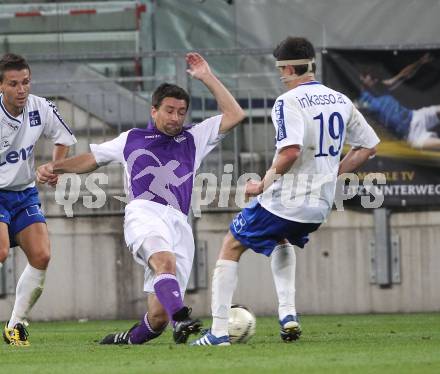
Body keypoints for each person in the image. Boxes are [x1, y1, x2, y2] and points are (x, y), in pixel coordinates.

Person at [37, 53, 245, 345]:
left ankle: (129, 339)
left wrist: (207, 77)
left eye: (181, 112)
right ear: (154, 111)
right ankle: (182, 320)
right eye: (169, 111)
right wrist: (55, 166)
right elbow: (91, 159)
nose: (175, 118)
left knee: (158, 317)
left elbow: (236, 115)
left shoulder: (194, 139)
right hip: (144, 212)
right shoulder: (131, 139)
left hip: (179, 223)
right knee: (164, 262)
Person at [191, 36, 380, 346]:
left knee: (231, 244)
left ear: (289, 68)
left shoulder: (288, 101)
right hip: (320, 206)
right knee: (279, 237)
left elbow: (290, 152)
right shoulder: (340, 100)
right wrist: (331, 174)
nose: (281, 76)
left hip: (288, 199)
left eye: (281, 71)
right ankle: (288, 315)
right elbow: (369, 147)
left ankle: (219, 332)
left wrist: (262, 184)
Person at [0, 53, 77, 346]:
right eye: (13, 84)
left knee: (42, 255)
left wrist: (54, 167)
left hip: (23, 192)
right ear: (1, 87)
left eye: (26, 82)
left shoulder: (40, 107)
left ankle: (15, 325)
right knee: (2, 251)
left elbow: (64, 137)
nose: (22, 89)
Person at [358, 53, 440, 150]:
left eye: (372, 75)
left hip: (415, 117)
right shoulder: (363, 103)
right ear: (362, 79)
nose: (372, 78)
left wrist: (420, 62)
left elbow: (403, 75)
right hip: (411, 136)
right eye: (368, 76)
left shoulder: (382, 86)